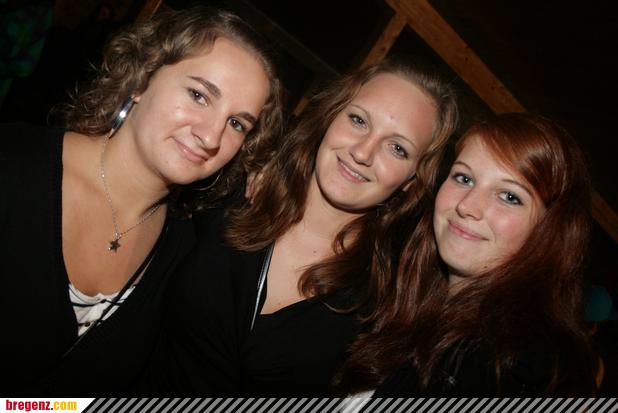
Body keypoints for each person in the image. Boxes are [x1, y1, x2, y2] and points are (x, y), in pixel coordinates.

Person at [0, 6, 283, 395]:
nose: (211, 136)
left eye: (237, 124)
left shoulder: (181, 253)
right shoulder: (12, 166)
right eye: (199, 95)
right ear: (141, 79)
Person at [141, 55, 459, 395]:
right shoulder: (229, 186)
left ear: (412, 178)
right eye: (358, 120)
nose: (363, 152)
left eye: (397, 148)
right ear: (331, 116)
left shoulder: (385, 303)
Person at [336, 113, 599, 397]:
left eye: (509, 196)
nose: (467, 206)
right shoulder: (408, 300)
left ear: (549, 230)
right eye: (463, 178)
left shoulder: (512, 362)